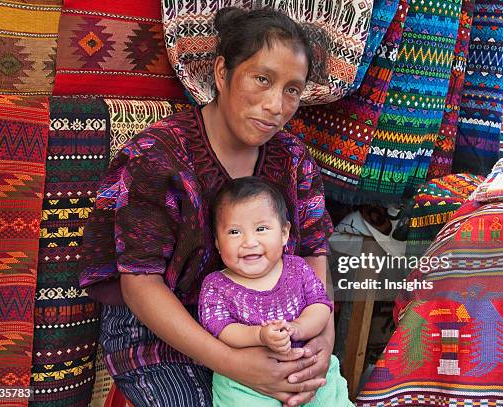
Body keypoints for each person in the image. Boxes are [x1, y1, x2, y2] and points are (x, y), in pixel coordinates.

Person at [79, 6, 336, 407]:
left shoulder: (293, 157)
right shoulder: (157, 157)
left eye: (292, 89)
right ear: (221, 73)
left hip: (270, 324)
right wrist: (237, 364)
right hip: (161, 336)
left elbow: (313, 251)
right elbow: (140, 284)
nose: (276, 105)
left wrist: (322, 338)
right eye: (262, 79)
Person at [199, 177, 352, 406]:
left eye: (261, 229)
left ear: (284, 233)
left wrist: (299, 327)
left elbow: (320, 306)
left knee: (330, 395)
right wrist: (259, 336)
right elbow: (222, 329)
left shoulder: (298, 268)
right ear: (218, 243)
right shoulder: (216, 285)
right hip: (245, 382)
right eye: (234, 232)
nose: (249, 242)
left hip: (306, 368)